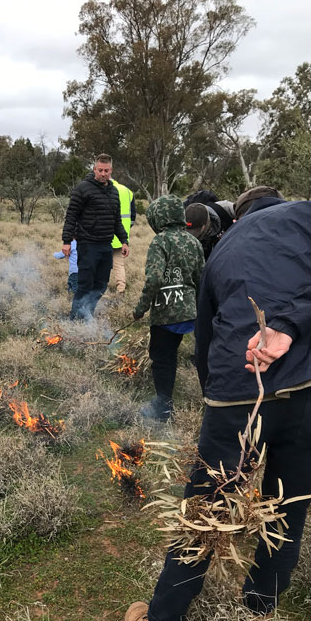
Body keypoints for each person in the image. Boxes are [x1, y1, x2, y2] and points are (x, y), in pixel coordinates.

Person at [125, 190, 311, 621]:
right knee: (288, 502)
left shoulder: (220, 248)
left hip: (239, 386)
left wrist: (219, 412)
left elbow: (204, 343)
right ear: (282, 202)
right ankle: (260, 612)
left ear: (237, 216)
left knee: (208, 506)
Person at [132, 195, 204, 422]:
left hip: (166, 313)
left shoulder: (160, 241)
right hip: (190, 312)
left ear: (157, 217)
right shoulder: (194, 241)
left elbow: (153, 279)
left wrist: (140, 308)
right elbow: (201, 277)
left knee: (162, 359)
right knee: (184, 354)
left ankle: (163, 408)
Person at [61, 154, 129, 321]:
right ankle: (74, 320)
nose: (103, 174)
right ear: (94, 170)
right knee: (85, 285)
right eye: (100, 170)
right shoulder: (83, 188)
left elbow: (116, 219)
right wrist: (66, 241)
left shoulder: (113, 191)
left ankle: (87, 313)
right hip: (87, 244)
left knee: (101, 285)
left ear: (111, 171)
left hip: (106, 245)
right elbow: (71, 216)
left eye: (106, 170)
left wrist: (124, 240)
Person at [110, 179, 136, 293]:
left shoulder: (105, 190)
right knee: (119, 264)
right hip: (122, 235)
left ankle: (101, 290)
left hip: (106, 233)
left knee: (101, 264)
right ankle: (121, 288)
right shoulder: (128, 191)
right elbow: (133, 215)